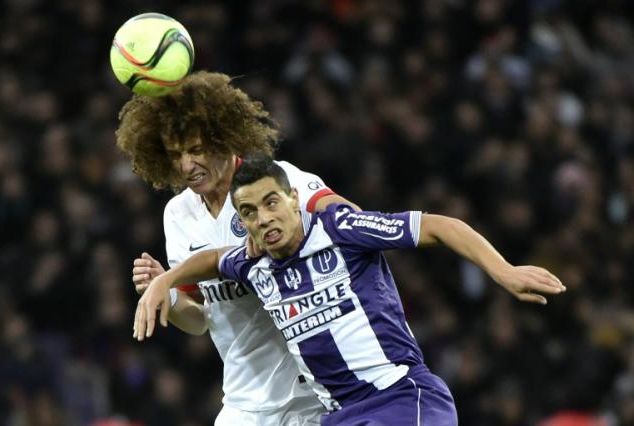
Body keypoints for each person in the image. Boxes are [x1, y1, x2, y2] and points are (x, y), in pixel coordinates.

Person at [133, 156, 567, 426]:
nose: (264, 218)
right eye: (249, 212)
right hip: (339, 417)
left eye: (271, 203)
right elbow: (209, 261)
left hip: (398, 398)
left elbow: (439, 225)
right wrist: (166, 284)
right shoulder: (252, 263)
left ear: (291, 199)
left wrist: (503, 270)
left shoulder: (339, 228)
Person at [116, 71, 358, 425]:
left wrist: (293, 238)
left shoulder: (274, 182)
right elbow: (200, 319)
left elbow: (351, 220)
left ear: (225, 137)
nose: (187, 166)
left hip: (315, 396)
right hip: (246, 401)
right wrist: (167, 293)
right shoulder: (177, 214)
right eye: (176, 155)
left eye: (197, 150)